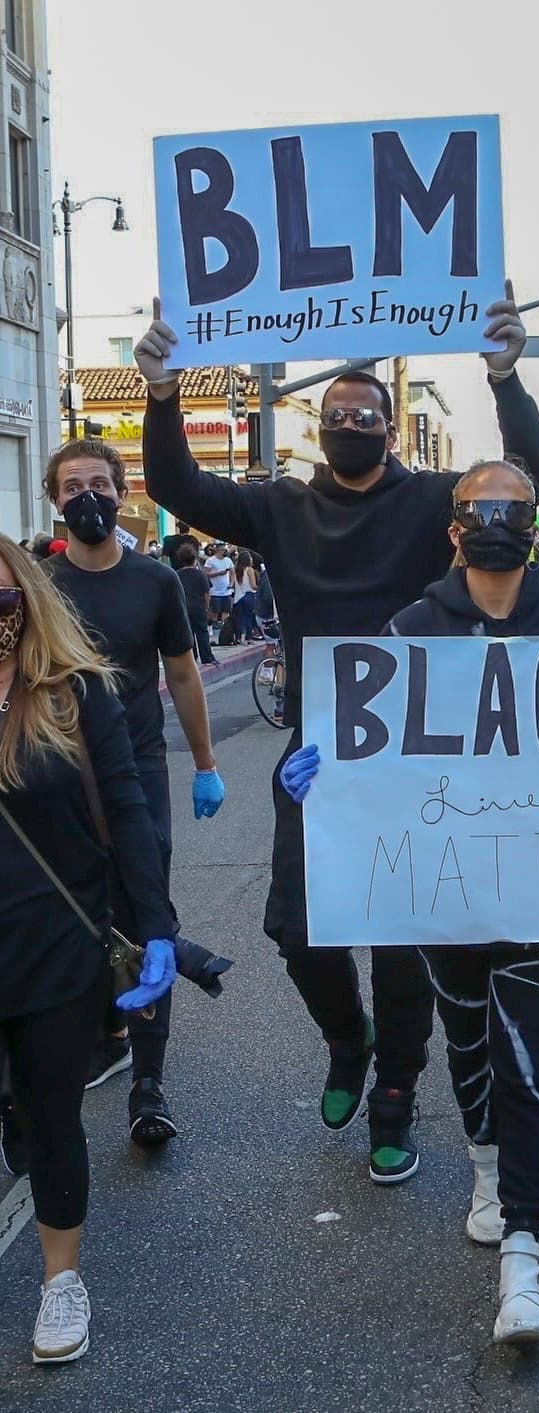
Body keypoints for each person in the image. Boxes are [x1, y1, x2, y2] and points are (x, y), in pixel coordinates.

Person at [134, 284, 539, 1184]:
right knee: (299, 928)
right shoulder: (279, 506)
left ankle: (396, 1098)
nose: (352, 422)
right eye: (338, 413)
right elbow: (174, 485)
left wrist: (505, 377)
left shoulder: (434, 499)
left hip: (414, 753)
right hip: (320, 758)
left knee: (403, 933)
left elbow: (531, 478)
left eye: (367, 414)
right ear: (319, 424)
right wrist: (162, 393)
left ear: (391, 431)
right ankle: (347, 1038)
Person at [278, 460, 539, 1343]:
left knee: (526, 1057)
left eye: (514, 507)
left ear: (534, 525)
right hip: (445, 886)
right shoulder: (405, 630)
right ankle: (482, 1158)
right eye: (482, 507)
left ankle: (524, 1254)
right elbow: (354, 748)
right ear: (454, 527)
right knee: (468, 1042)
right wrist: (312, 774)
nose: (498, 520)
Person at [0, 534, 177, 1364]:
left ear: (28, 599)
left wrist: (156, 931)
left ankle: (59, 1278)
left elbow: (130, 812)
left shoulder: (76, 695)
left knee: (48, 1114)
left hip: (51, 948)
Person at [43, 438, 225, 1144]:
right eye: (72, 486)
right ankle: (106, 1031)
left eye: (99, 483)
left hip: (140, 770)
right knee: (80, 911)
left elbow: (181, 674)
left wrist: (205, 761)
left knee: (148, 912)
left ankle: (149, 1083)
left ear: (123, 493)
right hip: (60, 772)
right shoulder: (40, 585)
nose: (87, 496)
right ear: (54, 500)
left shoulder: (156, 582)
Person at [177, 542, 216, 665]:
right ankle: (207, 657)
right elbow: (206, 594)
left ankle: (192, 657)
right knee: (202, 632)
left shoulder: (177, 575)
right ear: (194, 559)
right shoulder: (200, 575)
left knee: (188, 634)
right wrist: (207, 608)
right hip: (198, 607)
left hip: (183, 607)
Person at [204, 541, 234, 631]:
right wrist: (219, 573)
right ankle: (212, 627)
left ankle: (224, 629)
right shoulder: (210, 560)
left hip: (226, 591)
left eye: (225, 550)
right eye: (222, 550)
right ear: (217, 550)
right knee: (215, 612)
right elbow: (206, 573)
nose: (224, 552)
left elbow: (233, 573)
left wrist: (231, 583)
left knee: (226, 611)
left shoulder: (228, 560)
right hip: (215, 591)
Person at [231, 549, 259, 644]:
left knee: (239, 618)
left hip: (238, 597)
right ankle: (249, 638)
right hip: (249, 595)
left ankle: (238, 638)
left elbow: (234, 584)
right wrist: (260, 588)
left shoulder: (236, 570)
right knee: (249, 617)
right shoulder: (249, 570)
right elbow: (253, 585)